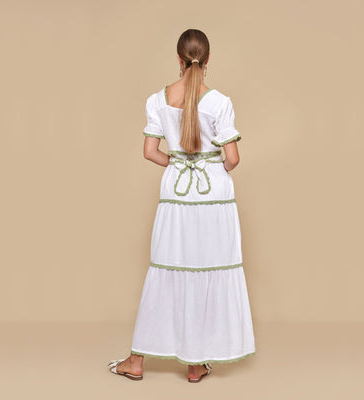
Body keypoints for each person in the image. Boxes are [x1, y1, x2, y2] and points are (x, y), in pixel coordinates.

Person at [108, 28, 255, 383]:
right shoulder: (220, 102)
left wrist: (178, 164)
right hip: (213, 194)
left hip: (176, 191)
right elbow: (233, 159)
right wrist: (211, 168)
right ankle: (194, 363)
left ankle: (137, 361)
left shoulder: (156, 101)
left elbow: (150, 152)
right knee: (207, 267)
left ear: (178, 58)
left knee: (169, 266)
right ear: (208, 59)